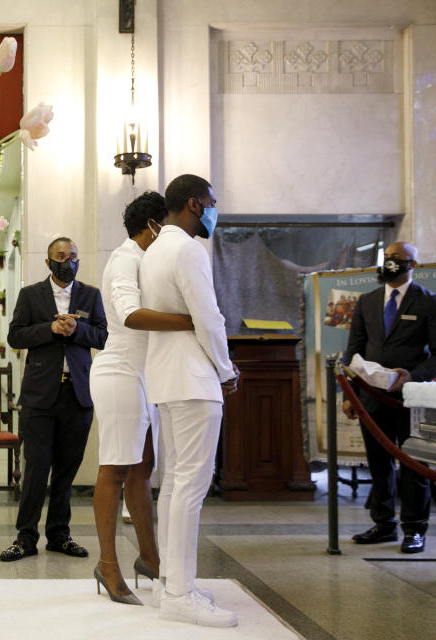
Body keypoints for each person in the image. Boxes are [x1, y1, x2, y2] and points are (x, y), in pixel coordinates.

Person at [140, 174, 240, 627]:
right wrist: (226, 368)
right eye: (212, 203)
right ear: (195, 204)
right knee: (192, 486)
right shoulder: (188, 249)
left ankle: (172, 585)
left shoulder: (156, 248)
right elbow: (208, 317)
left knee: (175, 484)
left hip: (165, 378)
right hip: (195, 379)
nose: (215, 211)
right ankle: (180, 591)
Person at [89, 191, 194, 604]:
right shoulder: (126, 259)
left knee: (142, 468)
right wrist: (192, 321)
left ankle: (150, 558)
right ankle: (108, 566)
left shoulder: (145, 259)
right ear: (153, 226)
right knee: (115, 469)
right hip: (119, 373)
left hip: (142, 374)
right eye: (165, 226)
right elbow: (130, 315)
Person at [0, 237, 108, 562]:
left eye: (73, 256)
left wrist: (76, 330)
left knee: (66, 469)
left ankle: (60, 534)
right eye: (61, 256)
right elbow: (16, 335)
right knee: (36, 467)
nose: (68, 261)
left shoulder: (91, 294)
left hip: (78, 395)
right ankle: (26, 536)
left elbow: (103, 336)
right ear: (48, 262)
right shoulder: (31, 295)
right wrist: (50, 328)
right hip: (39, 395)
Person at [343, 242, 436, 553]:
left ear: (413, 265)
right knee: (378, 465)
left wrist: (411, 375)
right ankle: (383, 524)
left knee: (413, 465)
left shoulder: (430, 302)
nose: (391, 263)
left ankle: (414, 529)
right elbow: (354, 350)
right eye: (387, 258)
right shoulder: (367, 301)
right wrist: (349, 394)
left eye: (398, 259)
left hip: (412, 399)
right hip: (372, 397)